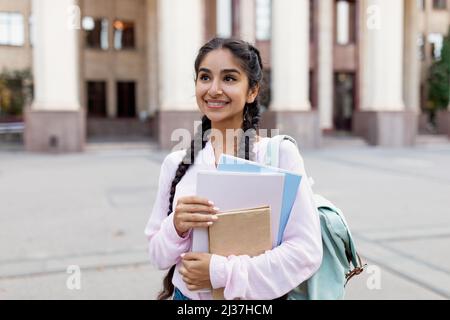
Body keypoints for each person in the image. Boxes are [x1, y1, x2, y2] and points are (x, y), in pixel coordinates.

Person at [144, 38, 322, 300]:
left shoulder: (279, 155)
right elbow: (158, 256)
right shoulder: (176, 165)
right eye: (205, 78)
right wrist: (176, 226)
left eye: (229, 79)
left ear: (252, 91)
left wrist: (220, 272)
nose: (214, 89)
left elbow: (305, 253)